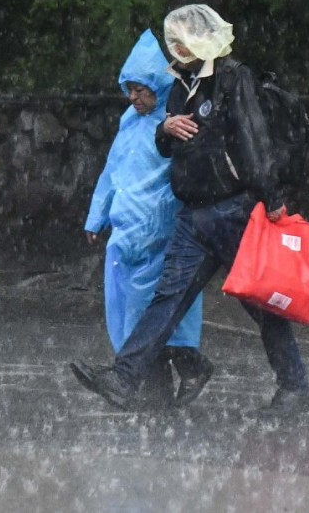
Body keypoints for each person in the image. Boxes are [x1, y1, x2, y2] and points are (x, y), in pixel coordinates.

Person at [70, 4, 309, 419]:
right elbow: (168, 146)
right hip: (193, 217)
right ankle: (125, 377)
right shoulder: (179, 85)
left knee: (262, 307)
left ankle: (294, 387)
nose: (174, 48)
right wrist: (165, 130)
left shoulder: (234, 79)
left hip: (233, 212)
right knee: (167, 298)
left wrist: (271, 198)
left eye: (180, 40)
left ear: (201, 39)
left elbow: (254, 139)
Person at [84, 29, 209, 406]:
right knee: (130, 311)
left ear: (157, 84)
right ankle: (154, 394)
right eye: (129, 89)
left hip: (160, 234)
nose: (133, 96)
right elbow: (113, 170)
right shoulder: (128, 123)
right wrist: (97, 216)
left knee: (153, 316)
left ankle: (154, 385)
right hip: (126, 234)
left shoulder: (175, 122)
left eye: (140, 89)